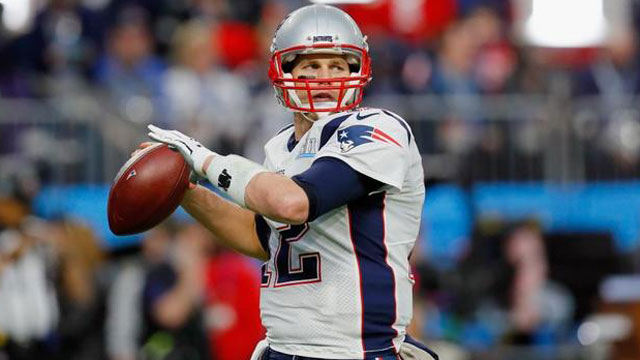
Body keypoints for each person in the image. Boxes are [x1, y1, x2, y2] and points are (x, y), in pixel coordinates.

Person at [144, 4, 437, 360]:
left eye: (338, 65)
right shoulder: (281, 147)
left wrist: (204, 160)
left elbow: (293, 203)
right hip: (283, 345)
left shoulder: (378, 129)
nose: (326, 77)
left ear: (359, 70)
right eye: (312, 65)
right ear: (283, 71)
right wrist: (182, 187)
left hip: (352, 351)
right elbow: (261, 236)